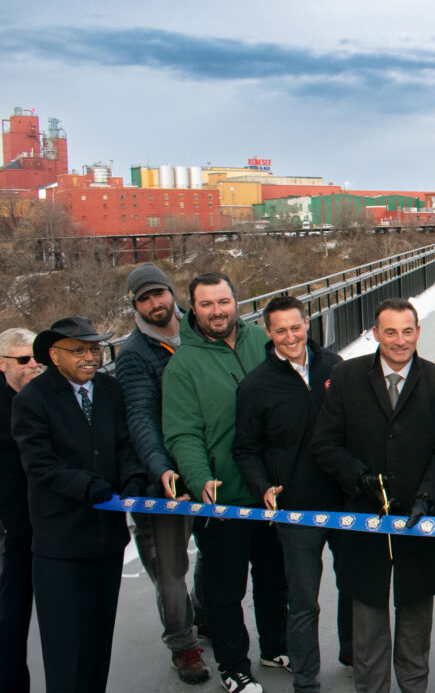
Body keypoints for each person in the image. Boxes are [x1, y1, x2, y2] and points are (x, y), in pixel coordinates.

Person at [312, 298, 435, 693]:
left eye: (407, 331)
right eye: (390, 332)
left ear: (418, 332)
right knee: (368, 622)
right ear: (375, 334)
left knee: (415, 621)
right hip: (365, 519)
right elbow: (325, 443)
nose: (399, 341)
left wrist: (428, 496)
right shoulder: (346, 377)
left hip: (419, 518)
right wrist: (359, 479)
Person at [162, 272, 285, 693]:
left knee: (274, 578)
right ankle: (235, 666)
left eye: (223, 302)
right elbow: (183, 433)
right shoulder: (183, 364)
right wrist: (200, 480)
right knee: (224, 590)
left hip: (272, 493)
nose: (217, 312)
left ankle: (276, 646)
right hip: (225, 497)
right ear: (192, 309)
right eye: (206, 304)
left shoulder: (263, 342)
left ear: (237, 301)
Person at [11, 317, 147, 692]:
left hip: (107, 542)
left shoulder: (109, 389)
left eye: (95, 350)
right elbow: (40, 464)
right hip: (62, 547)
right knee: (66, 653)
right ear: (54, 355)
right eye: (80, 350)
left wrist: (133, 477)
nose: (90, 358)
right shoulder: (32, 400)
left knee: (97, 646)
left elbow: (124, 444)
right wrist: (87, 486)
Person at [232, 295, 350, 693]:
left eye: (296, 327)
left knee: (354, 586)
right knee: (303, 602)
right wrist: (263, 485)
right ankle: (305, 681)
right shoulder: (255, 387)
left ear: (307, 323)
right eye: (280, 330)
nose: (290, 337)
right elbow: (245, 449)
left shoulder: (334, 368)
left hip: (344, 502)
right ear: (268, 333)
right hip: (296, 511)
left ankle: (352, 652)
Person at [114, 264, 209, 684]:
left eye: (159, 294)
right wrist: (160, 468)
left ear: (173, 293)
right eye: (144, 299)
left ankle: (202, 612)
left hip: (208, 466)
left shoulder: (200, 331)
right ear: (135, 305)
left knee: (218, 549)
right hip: (163, 476)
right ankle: (183, 645)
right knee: (170, 571)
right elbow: (140, 418)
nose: (155, 304)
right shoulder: (134, 354)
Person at [0, 327, 40, 693]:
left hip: (50, 523)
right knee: (10, 622)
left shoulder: (48, 397)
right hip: (12, 530)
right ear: (2, 364)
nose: (33, 365)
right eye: (24, 359)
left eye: (37, 358)